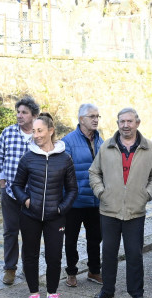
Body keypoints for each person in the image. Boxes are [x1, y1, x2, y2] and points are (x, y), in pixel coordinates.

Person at [89, 107, 152, 298]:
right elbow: (94, 172)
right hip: (109, 209)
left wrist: (147, 194)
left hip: (135, 210)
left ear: (137, 123)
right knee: (109, 252)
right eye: (122, 121)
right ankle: (107, 289)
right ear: (117, 124)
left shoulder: (149, 148)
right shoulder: (106, 147)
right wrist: (101, 193)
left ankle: (136, 292)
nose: (126, 125)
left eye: (130, 121)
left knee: (134, 253)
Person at [11, 113, 78, 298]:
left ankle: (52, 294)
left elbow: (72, 189)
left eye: (40, 131)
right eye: (33, 131)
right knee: (30, 256)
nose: (36, 135)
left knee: (54, 256)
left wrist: (61, 208)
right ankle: (34, 295)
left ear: (50, 131)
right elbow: (16, 185)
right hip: (30, 215)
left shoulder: (65, 159)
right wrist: (26, 200)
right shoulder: (28, 158)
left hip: (55, 216)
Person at [0, 96, 40, 286]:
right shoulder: (8, 132)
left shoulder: (40, 135)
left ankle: (29, 268)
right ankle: (10, 269)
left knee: (31, 233)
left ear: (34, 115)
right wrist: (3, 185)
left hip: (33, 194)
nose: (19, 116)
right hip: (11, 193)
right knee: (10, 232)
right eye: (18, 112)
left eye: (24, 113)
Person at [61, 103, 104, 288]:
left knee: (95, 238)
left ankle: (94, 271)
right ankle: (71, 273)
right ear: (81, 119)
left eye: (97, 116)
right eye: (91, 116)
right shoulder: (68, 141)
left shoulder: (102, 141)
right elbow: (64, 172)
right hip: (74, 201)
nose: (95, 119)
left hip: (95, 200)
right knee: (71, 239)